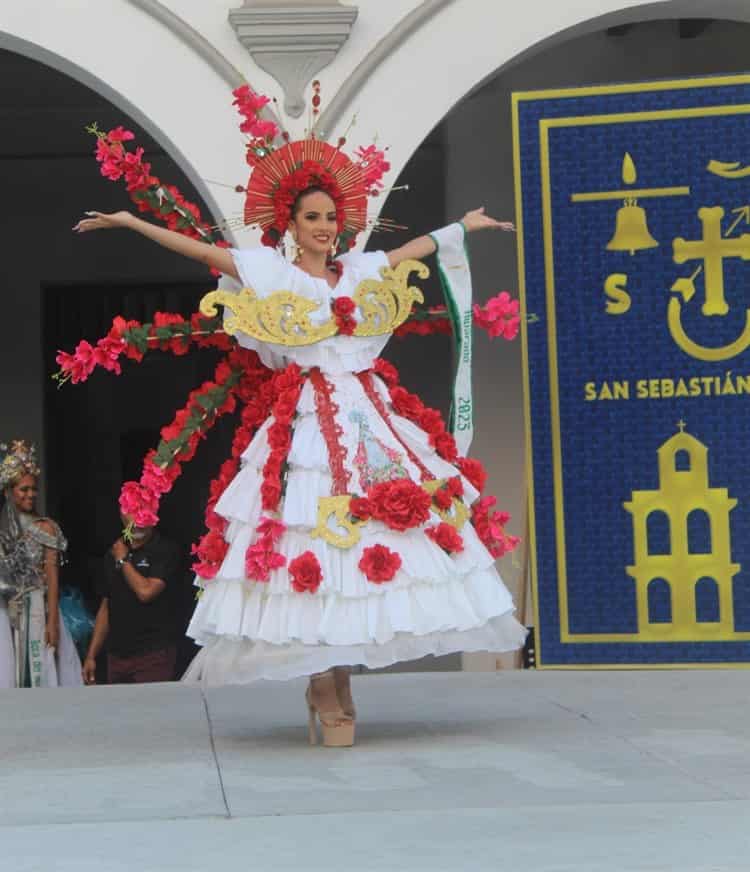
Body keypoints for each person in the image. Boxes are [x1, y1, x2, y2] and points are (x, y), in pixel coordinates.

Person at [73, 105, 527, 746]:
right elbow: (205, 249)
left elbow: (407, 251)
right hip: (308, 419)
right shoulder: (274, 275)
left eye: (331, 219)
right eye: (311, 218)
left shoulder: (362, 270)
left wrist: (463, 227)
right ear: (289, 224)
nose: (323, 228)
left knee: (369, 547)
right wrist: (131, 222)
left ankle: (336, 678)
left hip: (370, 420)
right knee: (308, 544)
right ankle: (321, 681)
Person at [0, 440, 82, 687]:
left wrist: (53, 622)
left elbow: (52, 576)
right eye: (23, 489)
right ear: (8, 492)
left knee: (39, 671)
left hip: (37, 607)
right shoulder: (3, 530)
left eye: (33, 489)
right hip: (6, 610)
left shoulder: (45, 527)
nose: (30, 495)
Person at [82, 517, 181, 684]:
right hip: (116, 656)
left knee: (150, 709)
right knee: (119, 709)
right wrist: (91, 655)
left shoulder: (165, 549)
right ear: (122, 513)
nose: (139, 520)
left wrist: (123, 560)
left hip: (153, 655)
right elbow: (106, 607)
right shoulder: (113, 553)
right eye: (132, 512)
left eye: (144, 511)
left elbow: (146, 592)